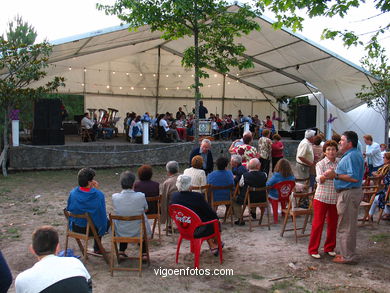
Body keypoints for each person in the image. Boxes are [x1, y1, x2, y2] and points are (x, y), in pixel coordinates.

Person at [324, 131, 364, 264]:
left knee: (345, 225)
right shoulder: (354, 154)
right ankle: (348, 253)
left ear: (350, 143)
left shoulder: (351, 156)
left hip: (348, 193)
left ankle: (347, 256)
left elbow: (354, 177)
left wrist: (335, 175)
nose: (340, 142)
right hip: (351, 193)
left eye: (342, 140)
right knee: (349, 225)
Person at [15, 226, 91, 293]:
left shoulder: (22, 280)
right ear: (58, 247)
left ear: (32, 250)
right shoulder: (75, 263)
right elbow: (89, 287)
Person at [170, 175, 222, 256]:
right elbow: (210, 213)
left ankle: (214, 245)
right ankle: (216, 243)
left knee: (202, 221)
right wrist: (216, 218)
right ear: (190, 186)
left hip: (183, 228)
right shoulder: (197, 196)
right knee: (214, 222)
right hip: (197, 230)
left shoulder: (174, 196)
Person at [308, 140, 339, 259]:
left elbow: (342, 176)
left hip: (335, 198)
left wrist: (335, 175)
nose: (331, 152)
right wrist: (324, 176)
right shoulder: (320, 164)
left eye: (333, 149)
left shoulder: (339, 163)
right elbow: (318, 178)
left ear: (336, 151)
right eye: (329, 149)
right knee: (318, 224)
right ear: (325, 152)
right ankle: (313, 249)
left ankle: (330, 247)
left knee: (332, 224)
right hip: (321, 198)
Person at [67, 168, 108, 254]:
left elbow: (69, 208)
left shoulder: (73, 193)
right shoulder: (98, 195)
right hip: (90, 230)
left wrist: (93, 190)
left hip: (75, 227)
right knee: (105, 221)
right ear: (90, 182)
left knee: (96, 219)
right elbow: (102, 216)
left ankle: (97, 247)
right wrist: (96, 190)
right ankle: (98, 247)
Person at [112, 171, 151, 257]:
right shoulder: (140, 196)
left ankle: (121, 250)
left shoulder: (115, 197)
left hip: (121, 231)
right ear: (133, 184)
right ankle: (144, 252)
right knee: (142, 219)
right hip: (138, 231)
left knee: (124, 220)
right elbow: (146, 209)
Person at [233, 158, 267, 225]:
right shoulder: (264, 175)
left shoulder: (245, 176)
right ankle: (253, 211)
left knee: (234, 199)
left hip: (248, 199)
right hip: (261, 199)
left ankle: (240, 218)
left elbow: (240, 184)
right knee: (254, 193)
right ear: (258, 166)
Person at [266, 158, 295, 224]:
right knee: (283, 199)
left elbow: (267, 184)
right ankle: (283, 213)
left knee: (272, 193)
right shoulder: (292, 177)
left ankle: (275, 219)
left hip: (275, 196)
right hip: (286, 195)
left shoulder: (276, 176)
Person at [368, 152, 390, 221]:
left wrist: (382, 179)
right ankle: (387, 213)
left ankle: (370, 215)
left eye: (384, 158)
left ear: (388, 159)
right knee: (378, 195)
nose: (383, 159)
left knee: (375, 198)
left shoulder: (387, 167)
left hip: (388, 193)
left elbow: (384, 179)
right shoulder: (385, 167)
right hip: (386, 191)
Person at [160, 161, 180, 225]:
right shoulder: (184, 178)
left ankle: (168, 224)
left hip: (173, 208)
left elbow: (164, 200)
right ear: (178, 169)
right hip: (186, 206)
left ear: (168, 172)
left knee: (165, 202)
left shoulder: (167, 183)